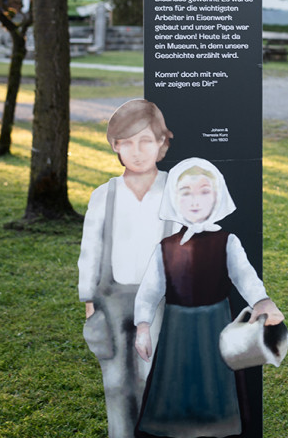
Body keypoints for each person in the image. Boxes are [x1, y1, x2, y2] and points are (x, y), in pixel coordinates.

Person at [133, 158, 284, 438]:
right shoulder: (165, 248)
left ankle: (216, 427)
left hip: (215, 325)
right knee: (175, 381)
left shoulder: (227, 242)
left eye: (204, 191)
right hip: (177, 329)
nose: (195, 200)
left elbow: (245, 277)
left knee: (215, 383)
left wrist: (262, 301)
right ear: (174, 198)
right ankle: (175, 427)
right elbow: (150, 291)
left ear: (218, 195)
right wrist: (143, 326)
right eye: (186, 192)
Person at [78, 99, 179, 438]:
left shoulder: (174, 191)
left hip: (160, 301)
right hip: (113, 297)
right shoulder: (104, 195)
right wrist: (89, 302)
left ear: (162, 144)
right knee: (117, 381)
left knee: (152, 376)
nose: (137, 152)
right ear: (115, 145)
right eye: (128, 143)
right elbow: (90, 250)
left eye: (146, 141)